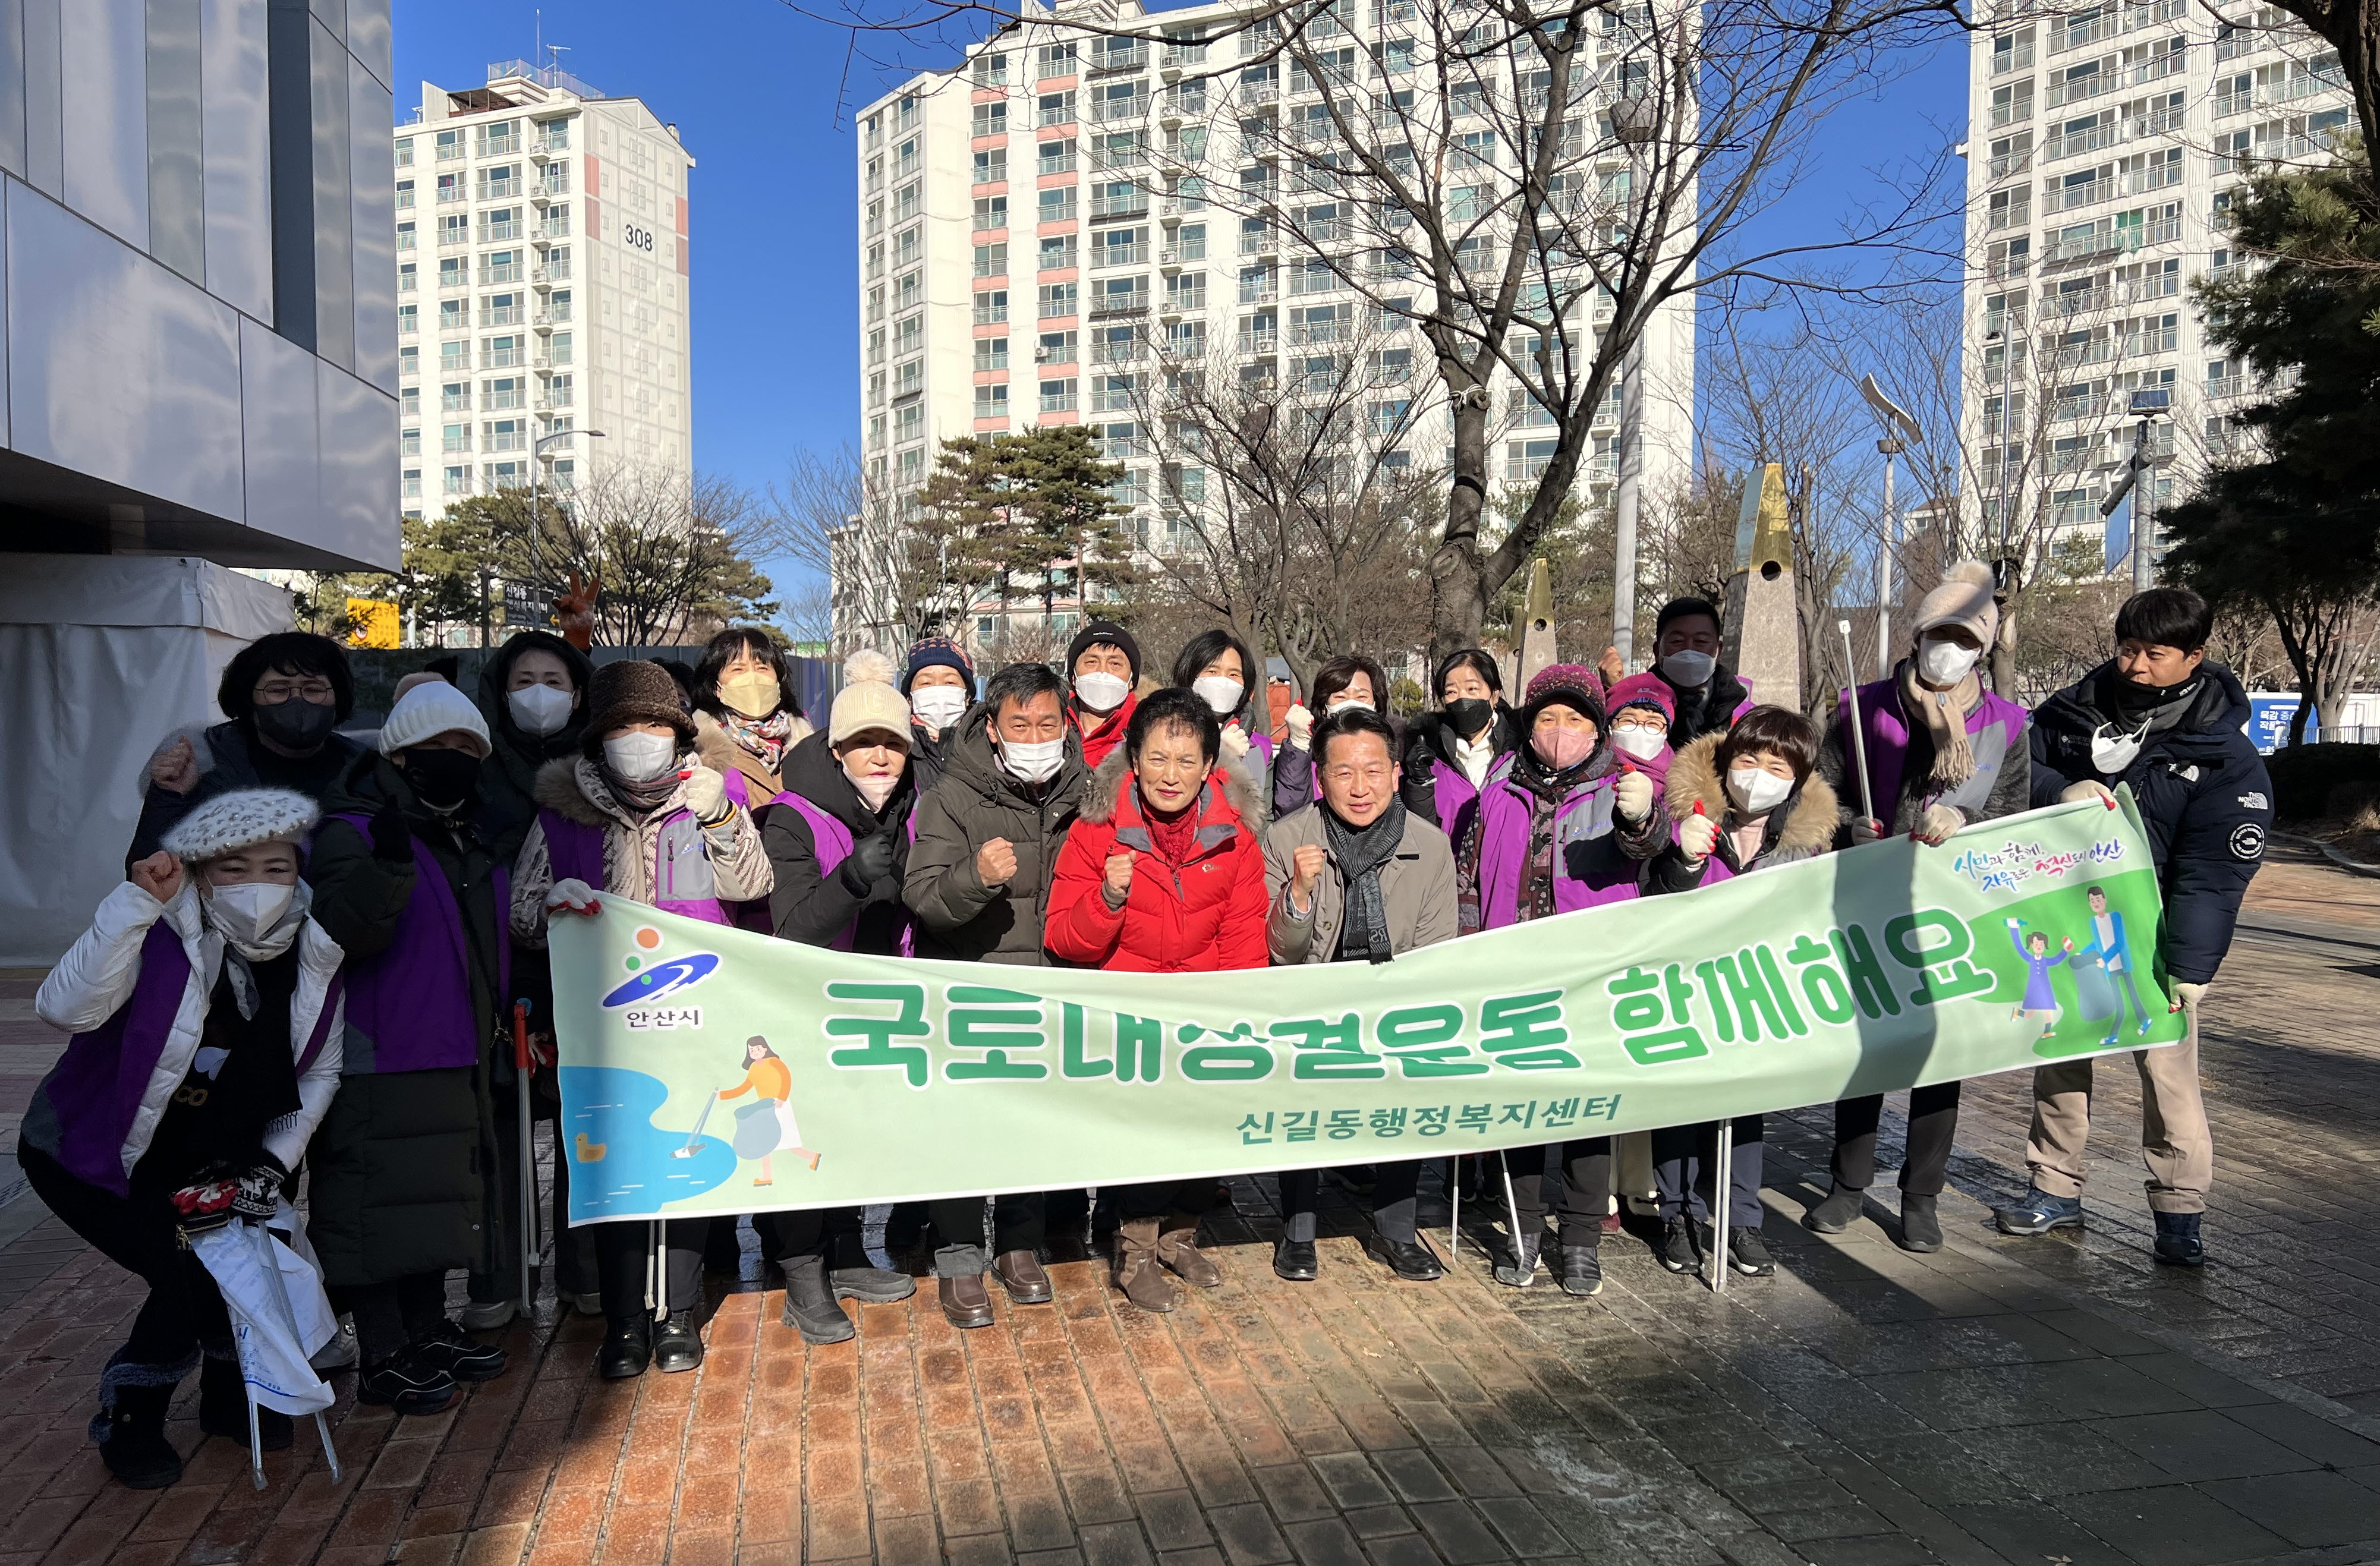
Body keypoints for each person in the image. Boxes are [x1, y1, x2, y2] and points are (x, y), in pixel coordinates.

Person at [20, 789, 345, 1489]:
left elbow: (320, 1066)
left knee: (247, 1260)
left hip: (217, 1152)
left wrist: (270, 1162)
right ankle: (131, 1414)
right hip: (91, 1151)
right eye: (232, 869)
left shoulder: (315, 949)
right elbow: (62, 1007)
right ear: (198, 872)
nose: (256, 885)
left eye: (275, 867)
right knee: (185, 1275)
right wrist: (135, 904)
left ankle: (233, 1395)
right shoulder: (157, 934)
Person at [1994, 587, 2270, 1267]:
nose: (2134, 666)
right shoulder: (2067, 715)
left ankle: (2178, 1211)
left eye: (2153, 654)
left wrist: (2191, 966)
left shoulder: (2223, 756)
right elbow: (2009, 775)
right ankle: (2053, 1189)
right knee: (2058, 1057)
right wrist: (2057, 789)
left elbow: (2211, 873)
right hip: (2066, 918)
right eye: (2125, 649)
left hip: (2156, 939)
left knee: (2168, 1077)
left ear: (2194, 656)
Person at [512, 660, 774, 1376]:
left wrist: (721, 814)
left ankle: (679, 1312)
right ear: (599, 738)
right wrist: (554, 902)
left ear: (678, 731)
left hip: (693, 1019)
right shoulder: (562, 812)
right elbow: (522, 915)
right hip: (603, 1028)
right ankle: (625, 1320)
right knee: (617, 1169)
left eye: (654, 725)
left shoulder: (709, 796)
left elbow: (752, 886)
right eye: (624, 726)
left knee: (685, 1157)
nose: (640, 739)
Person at [1802, 562, 2032, 1253]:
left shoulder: (2004, 723)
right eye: (1938, 632)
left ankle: (1920, 1196)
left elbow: (2011, 813)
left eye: (1964, 637)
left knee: (1940, 1055)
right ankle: (1846, 1185)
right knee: (1865, 1049)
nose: (1948, 647)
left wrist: (1968, 822)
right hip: (1867, 901)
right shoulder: (1860, 703)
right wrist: (1849, 827)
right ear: (1918, 631)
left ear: (1983, 646)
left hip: (1951, 911)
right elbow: (1821, 794)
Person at [303, 680, 514, 1407]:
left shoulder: (465, 834)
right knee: (375, 1204)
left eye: (467, 748)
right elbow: (343, 933)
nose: (452, 760)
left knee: (435, 1201)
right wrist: (387, 868)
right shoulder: (351, 832)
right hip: (378, 1048)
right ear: (397, 751)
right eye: (436, 747)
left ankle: (428, 1329)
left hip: (455, 1043)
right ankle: (382, 1349)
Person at [1045, 688, 1270, 1311]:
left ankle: (1181, 1236)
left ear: (1207, 767)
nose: (1171, 774)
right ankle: (1133, 1249)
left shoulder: (1234, 842)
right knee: (1145, 1142)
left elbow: (1243, 935)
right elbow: (1062, 936)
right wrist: (1107, 901)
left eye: (1186, 760)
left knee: (1206, 1135)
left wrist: (1233, 1019)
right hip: (1130, 1020)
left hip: (1202, 1017)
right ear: (1134, 761)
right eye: (1157, 758)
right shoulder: (1096, 834)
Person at [1465, 666, 1665, 1296]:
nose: (1559, 731)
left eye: (1574, 718)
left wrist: (1641, 821)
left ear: (1596, 727)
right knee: (1521, 1113)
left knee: (1585, 1116)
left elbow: (1649, 850)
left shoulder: (1621, 784)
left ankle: (1579, 1239)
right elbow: (1468, 873)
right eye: (1546, 717)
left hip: (1589, 979)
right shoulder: (1499, 783)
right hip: (1512, 973)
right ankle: (1522, 1232)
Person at [902, 661, 1089, 1326]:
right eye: (1020, 724)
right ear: (992, 726)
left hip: (1051, 986)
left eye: (1047, 723)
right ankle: (956, 1257)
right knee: (963, 1127)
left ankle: (1017, 1246)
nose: (1035, 736)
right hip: (971, 989)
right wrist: (974, 876)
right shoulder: (950, 796)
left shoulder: (1083, 789)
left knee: (1031, 1122)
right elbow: (924, 898)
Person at [752, 667, 924, 1343]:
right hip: (802, 1010)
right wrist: (851, 876)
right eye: (864, 742)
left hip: (874, 1006)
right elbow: (789, 929)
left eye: (894, 743)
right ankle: (801, 1272)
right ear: (835, 750)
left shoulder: (912, 810)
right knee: (802, 1140)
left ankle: (848, 1249)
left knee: (849, 1132)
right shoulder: (792, 817)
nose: (880, 756)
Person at [1262, 706, 1460, 1283]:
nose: (1359, 786)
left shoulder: (1429, 846)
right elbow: (1279, 953)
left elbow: (1435, 950)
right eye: (1343, 772)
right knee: (1299, 1111)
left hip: (1392, 1005)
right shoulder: (1284, 837)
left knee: (1406, 1100)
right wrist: (1299, 893)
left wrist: (1393, 1010)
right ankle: (1297, 1230)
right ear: (1319, 777)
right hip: (1311, 1007)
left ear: (1396, 774)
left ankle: (1396, 1230)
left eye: (1372, 770)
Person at [1646, 705, 1839, 1281]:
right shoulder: (1687, 814)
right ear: (1726, 761)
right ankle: (1677, 1213)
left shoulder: (1804, 842)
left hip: (1754, 995)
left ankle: (1739, 1218)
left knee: (1745, 1111)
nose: (1758, 774)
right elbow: (1651, 895)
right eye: (1748, 759)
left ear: (1798, 777)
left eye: (1777, 765)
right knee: (1679, 1108)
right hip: (1684, 988)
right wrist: (1682, 856)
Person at [470, 629, 600, 1312]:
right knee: (500, 1131)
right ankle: (499, 1278)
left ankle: (585, 1275)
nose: (539, 695)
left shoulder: (597, 767)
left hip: (582, 971)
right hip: (492, 967)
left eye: (554, 680)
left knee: (583, 1126)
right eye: (523, 681)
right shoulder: (473, 764)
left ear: (579, 692)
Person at [131, 632, 386, 867]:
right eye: (278, 691)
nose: (297, 701)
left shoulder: (368, 770)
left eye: (313, 690)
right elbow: (148, 876)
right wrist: (169, 796)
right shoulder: (203, 765)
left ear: (338, 696)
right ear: (248, 698)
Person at [1400, 648, 1520, 845]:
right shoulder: (1428, 755)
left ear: (1495, 695)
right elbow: (1420, 832)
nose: (1462, 699)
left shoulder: (1520, 752)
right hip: (1447, 869)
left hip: (1502, 871)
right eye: (1451, 692)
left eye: (1472, 689)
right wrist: (1419, 784)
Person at [1174, 629, 1277, 820]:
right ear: (1190, 676)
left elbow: (1265, 818)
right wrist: (1220, 758)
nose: (1223, 681)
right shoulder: (1164, 737)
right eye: (1212, 671)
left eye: (1234, 674)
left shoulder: (1260, 748)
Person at [1274, 653, 1392, 817]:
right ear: (1324, 707)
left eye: (1361, 697)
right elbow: (1290, 818)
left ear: (1375, 705)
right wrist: (1298, 747)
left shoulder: (1391, 752)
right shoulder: (1305, 757)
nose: (1351, 704)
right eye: (1340, 697)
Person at [1641, 598, 1755, 750]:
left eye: (1701, 641)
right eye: (1677, 641)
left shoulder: (1747, 717)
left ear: (1718, 650)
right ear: (1657, 651)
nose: (1689, 651)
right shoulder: (1632, 709)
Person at [901, 634, 976, 795]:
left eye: (950, 682)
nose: (938, 691)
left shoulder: (988, 742)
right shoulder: (898, 747)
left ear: (967, 696)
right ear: (910, 699)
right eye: (925, 683)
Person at [1065, 619, 1142, 769]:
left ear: (1132, 680)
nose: (1103, 672)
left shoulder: (1145, 732)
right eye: (1092, 662)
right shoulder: (1048, 726)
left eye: (1115, 664)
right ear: (1073, 676)